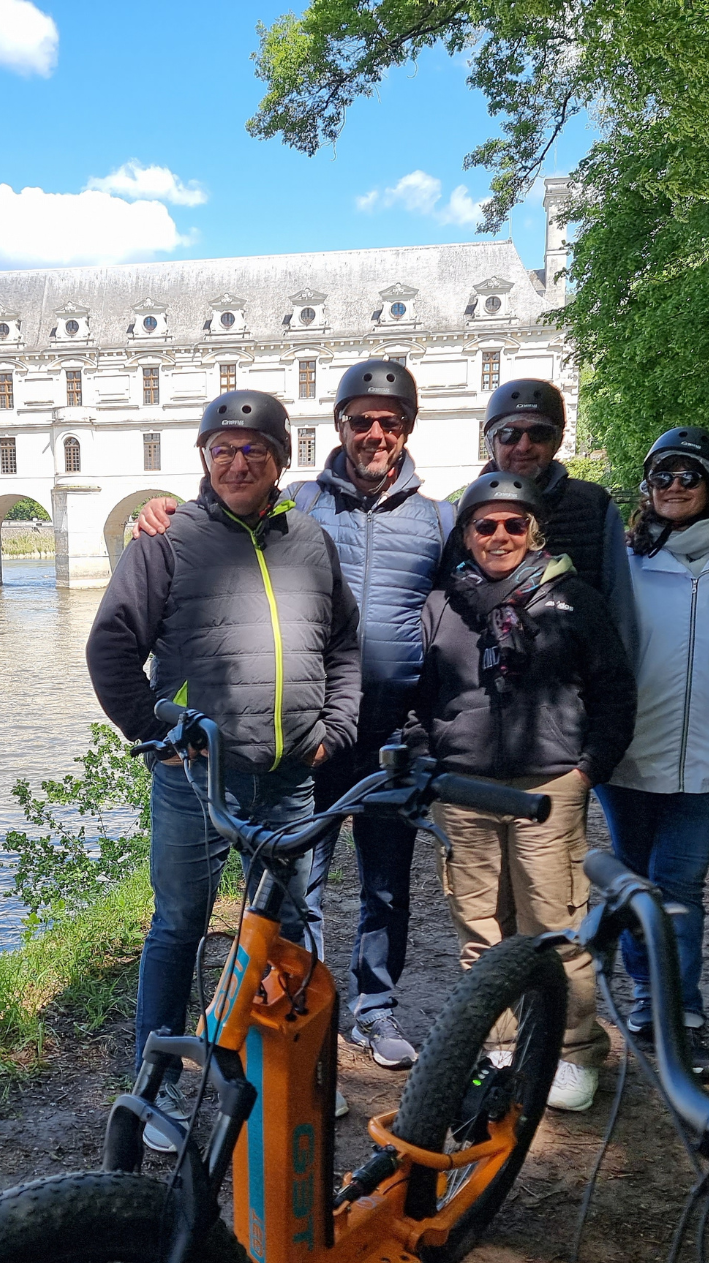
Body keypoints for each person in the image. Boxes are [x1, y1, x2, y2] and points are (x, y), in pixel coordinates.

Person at [134, 359, 454, 1071]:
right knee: (292, 900)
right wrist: (159, 512)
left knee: (381, 885)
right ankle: (275, 1046)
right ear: (337, 427)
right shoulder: (302, 505)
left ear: (406, 430)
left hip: (383, 729)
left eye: (389, 422)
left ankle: (367, 1016)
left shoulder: (440, 518)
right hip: (299, 737)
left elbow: (465, 607)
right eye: (361, 420)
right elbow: (229, 504)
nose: (375, 433)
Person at [86, 388, 362, 1150]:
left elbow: (344, 643)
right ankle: (157, 1088)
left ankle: (298, 1069)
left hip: (288, 775)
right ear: (204, 459)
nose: (238, 462)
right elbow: (110, 647)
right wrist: (155, 729)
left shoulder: (309, 539)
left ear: (281, 460)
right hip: (195, 777)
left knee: (295, 924)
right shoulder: (167, 541)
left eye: (255, 450)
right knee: (179, 925)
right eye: (223, 450)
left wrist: (335, 726)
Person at [409, 471, 635, 1112]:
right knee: (482, 927)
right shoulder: (442, 605)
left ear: (534, 531)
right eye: (486, 524)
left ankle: (572, 1050)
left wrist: (590, 768)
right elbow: (415, 697)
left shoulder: (573, 599)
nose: (500, 535)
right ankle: (501, 1044)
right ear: (468, 533)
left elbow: (616, 690)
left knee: (554, 925)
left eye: (514, 524)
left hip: (550, 787)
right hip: (465, 788)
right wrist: (428, 764)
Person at [595, 427, 709, 1083]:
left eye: (687, 477)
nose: (673, 487)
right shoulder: (630, 559)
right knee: (636, 883)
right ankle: (646, 998)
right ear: (647, 489)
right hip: (632, 754)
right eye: (661, 477)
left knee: (681, 887)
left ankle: (681, 1016)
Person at [464, 378, 637, 649]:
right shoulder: (466, 508)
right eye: (509, 434)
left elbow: (621, 612)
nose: (523, 446)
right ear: (490, 442)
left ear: (557, 441)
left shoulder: (594, 506)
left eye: (539, 434)